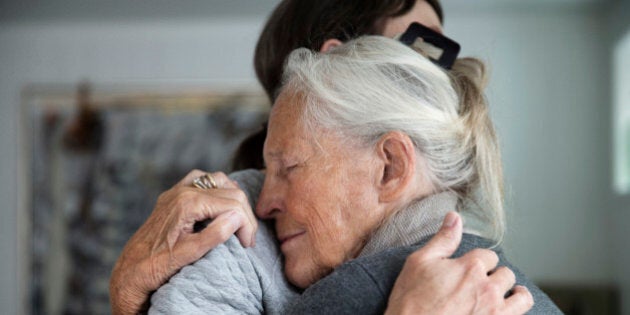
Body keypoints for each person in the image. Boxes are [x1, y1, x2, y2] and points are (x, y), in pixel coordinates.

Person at [109, 0, 537, 313]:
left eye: (441, 60)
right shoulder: (236, 228)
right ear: (337, 60)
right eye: (418, 50)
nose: (437, 81)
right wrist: (130, 294)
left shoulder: (470, 262)